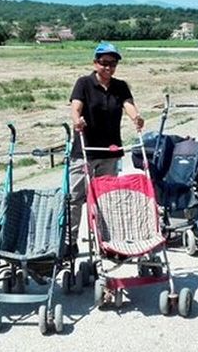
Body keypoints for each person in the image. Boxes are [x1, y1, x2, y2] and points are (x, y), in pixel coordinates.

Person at [68, 42, 144, 255]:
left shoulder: (120, 86)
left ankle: (105, 241)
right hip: (84, 150)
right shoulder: (83, 83)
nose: (108, 68)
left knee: (106, 199)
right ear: (95, 63)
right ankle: (69, 242)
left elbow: (128, 105)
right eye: (104, 63)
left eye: (113, 63)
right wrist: (77, 120)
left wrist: (136, 117)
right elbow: (76, 106)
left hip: (109, 151)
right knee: (75, 198)